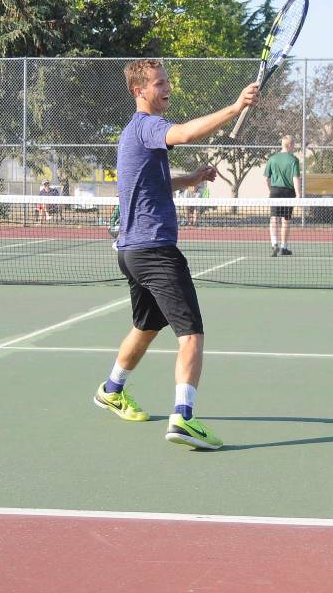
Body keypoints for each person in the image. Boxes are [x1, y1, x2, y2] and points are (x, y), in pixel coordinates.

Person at [93, 59, 258, 451]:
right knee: (191, 336)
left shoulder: (133, 133)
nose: (167, 88)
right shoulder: (149, 126)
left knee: (147, 327)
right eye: (159, 83)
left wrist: (192, 179)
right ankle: (184, 418)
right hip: (154, 251)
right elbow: (183, 134)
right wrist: (235, 108)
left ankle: (111, 389)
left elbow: (151, 183)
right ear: (140, 91)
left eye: (167, 82)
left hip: (132, 251)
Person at [263, 135, 301, 256]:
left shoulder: (272, 158)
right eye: (293, 144)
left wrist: (272, 190)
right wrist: (298, 195)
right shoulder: (294, 159)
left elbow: (267, 179)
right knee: (286, 220)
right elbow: (296, 178)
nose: (294, 146)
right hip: (288, 192)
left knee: (274, 219)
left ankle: (275, 245)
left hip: (275, 191)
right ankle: (283, 247)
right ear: (289, 145)